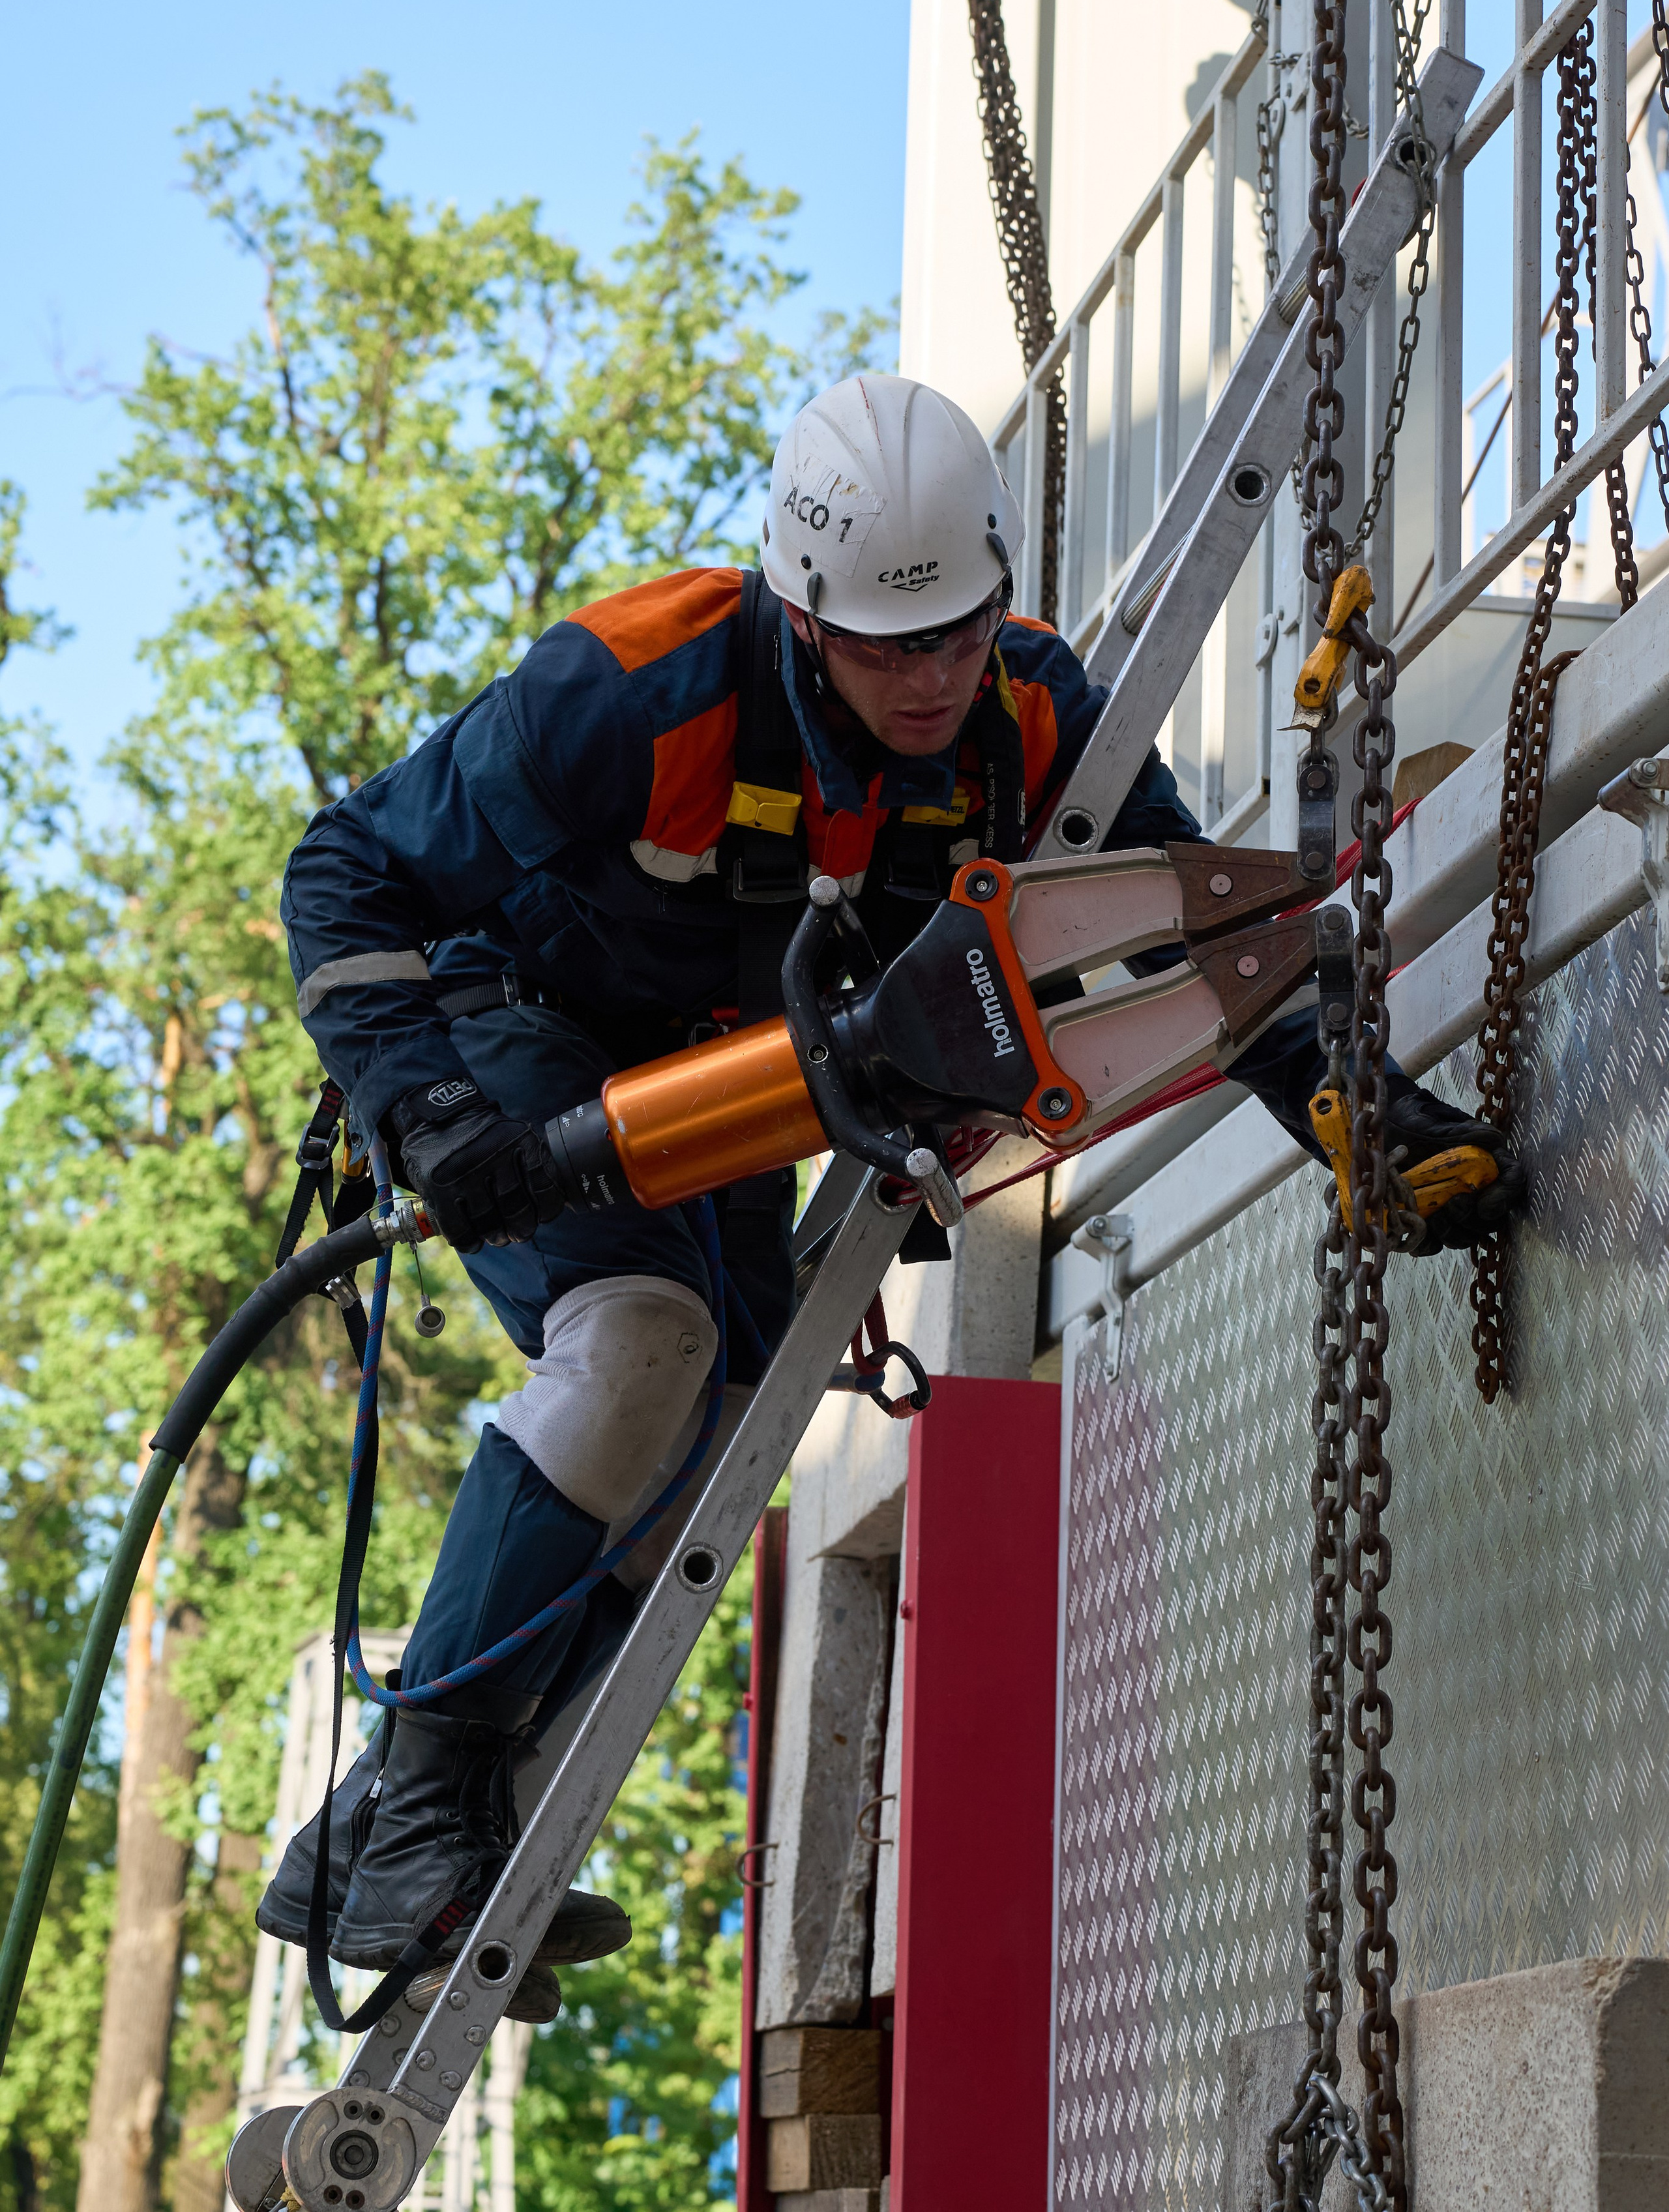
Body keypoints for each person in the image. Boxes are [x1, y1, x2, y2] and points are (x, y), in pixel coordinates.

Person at [261, 372, 1521, 1999]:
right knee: (638, 1345)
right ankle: (430, 1801)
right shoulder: (638, 685)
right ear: (800, 614)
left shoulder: (1036, 719)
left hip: (737, 1080)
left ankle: (383, 1841)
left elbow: (1188, 940)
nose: (932, 678)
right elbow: (344, 864)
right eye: (887, 644)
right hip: (519, 1034)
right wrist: (423, 1106)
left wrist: (1359, 1108)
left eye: (961, 633)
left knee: (715, 1427)